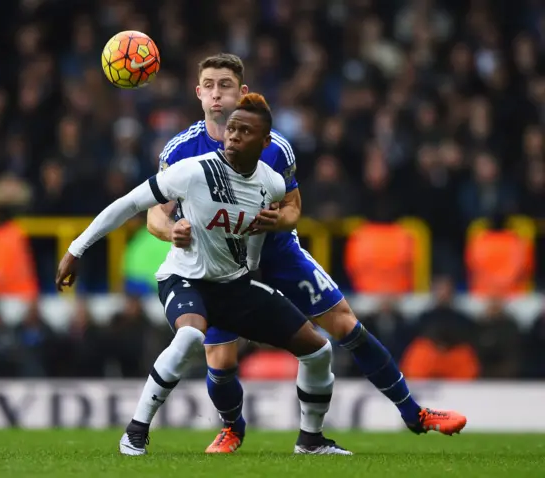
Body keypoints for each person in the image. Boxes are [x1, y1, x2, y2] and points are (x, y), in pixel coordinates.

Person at [148, 53, 467, 453]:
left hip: (277, 251)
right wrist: (171, 230)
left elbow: (295, 205)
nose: (217, 93)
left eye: (225, 85)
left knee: (345, 324)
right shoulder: (180, 150)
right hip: (217, 263)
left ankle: (412, 414)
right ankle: (233, 427)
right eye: (209, 85)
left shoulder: (275, 147)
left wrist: (278, 221)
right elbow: (153, 218)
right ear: (198, 94)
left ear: (242, 92)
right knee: (221, 359)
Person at [56, 94, 343, 456]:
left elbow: (254, 243)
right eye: (232, 128)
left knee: (319, 351)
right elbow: (129, 203)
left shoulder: (271, 184)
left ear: (265, 142)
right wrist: (75, 250)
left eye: (244, 130)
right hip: (185, 278)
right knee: (191, 334)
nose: (233, 136)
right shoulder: (194, 170)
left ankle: (311, 441)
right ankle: (135, 432)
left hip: (234, 285)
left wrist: (253, 280)